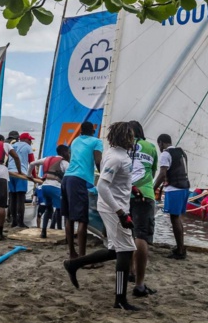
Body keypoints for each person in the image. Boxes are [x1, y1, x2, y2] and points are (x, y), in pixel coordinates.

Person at [63, 122, 140, 312]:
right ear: (125, 138)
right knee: (126, 249)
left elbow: (115, 182)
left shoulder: (117, 155)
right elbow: (103, 186)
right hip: (114, 209)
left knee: (116, 250)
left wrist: (132, 188)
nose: (133, 139)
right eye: (131, 136)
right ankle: (120, 299)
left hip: (117, 206)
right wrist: (121, 213)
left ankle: (74, 264)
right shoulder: (115, 158)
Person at [61, 121, 103, 259]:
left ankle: (72, 253)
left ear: (80, 131)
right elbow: (98, 161)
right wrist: (103, 176)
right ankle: (82, 257)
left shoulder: (75, 141)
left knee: (69, 217)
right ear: (93, 131)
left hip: (67, 178)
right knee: (82, 220)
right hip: (79, 180)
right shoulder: (96, 142)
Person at [128, 121, 158, 297]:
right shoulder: (151, 147)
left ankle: (130, 272)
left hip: (124, 194)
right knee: (141, 236)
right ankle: (139, 284)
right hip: (144, 194)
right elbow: (153, 173)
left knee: (128, 234)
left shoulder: (125, 146)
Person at [153, 133, 191, 260]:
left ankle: (180, 251)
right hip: (185, 188)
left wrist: (153, 189)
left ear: (161, 143)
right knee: (177, 218)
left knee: (174, 219)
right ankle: (181, 247)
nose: (159, 147)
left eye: (159, 144)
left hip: (174, 190)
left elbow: (163, 174)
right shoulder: (181, 152)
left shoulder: (165, 154)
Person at [28, 144, 71, 238]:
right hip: (55, 187)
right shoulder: (64, 163)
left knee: (48, 208)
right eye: (68, 152)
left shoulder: (47, 159)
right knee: (61, 209)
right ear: (65, 153)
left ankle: (43, 231)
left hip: (45, 187)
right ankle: (63, 231)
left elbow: (32, 163)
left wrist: (29, 175)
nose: (69, 154)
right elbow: (69, 177)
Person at [9, 132, 35, 228]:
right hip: (21, 174)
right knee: (21, 199)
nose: (31, 141)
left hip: (10, 173)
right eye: (30, 140)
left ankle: (13, 221)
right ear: (25, 139)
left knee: (12, 198)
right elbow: (32, 163)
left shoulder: (12, 146)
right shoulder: (28, 147)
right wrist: (34, 176)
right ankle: (20, 222)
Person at [6, 131, 19, 222]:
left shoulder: (4, 142)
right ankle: (11, 216)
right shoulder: (14, 143)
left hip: (3, 170)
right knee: (13, 196)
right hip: (11, 171)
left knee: (9, 194)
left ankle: (8, 215)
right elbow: (16, 157)